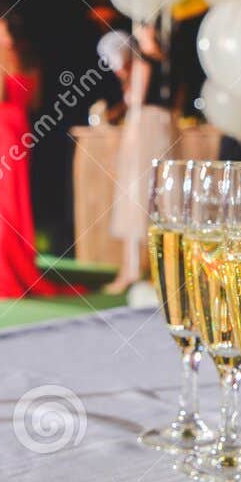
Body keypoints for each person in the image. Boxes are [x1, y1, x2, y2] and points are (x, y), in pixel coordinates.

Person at [0, 3, 82, 299]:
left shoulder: (0, 53)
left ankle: (5, 275)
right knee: (14, 202)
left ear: (1, 25)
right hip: (19, 127)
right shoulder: (28, 55)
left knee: (0, 205)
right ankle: (11, 267)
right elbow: (33, 101)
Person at [100, 25, 177, 295]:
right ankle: (147, 269)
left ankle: (133, 269)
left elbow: (136, 100)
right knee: (154, 197)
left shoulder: (144, 64)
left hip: (145, 129)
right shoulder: (167, 63)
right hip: (161, 128)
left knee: (137, 195)